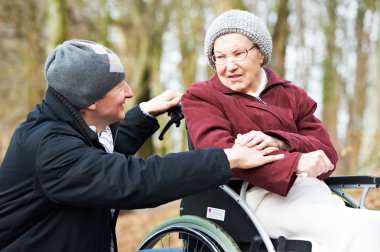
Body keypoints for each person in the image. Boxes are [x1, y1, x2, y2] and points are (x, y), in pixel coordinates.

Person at [0, 39, 285, 252]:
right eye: (118, 87)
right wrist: (226, 159)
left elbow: (101, 157)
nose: (130, 92)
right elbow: (130, 179)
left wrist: (147, 112)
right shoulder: (50, 149)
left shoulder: (72, 124)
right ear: (91, 101)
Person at [181, 9, 380, 252]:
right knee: (363, 229)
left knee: (366, 227)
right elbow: (220, 154)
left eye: (238, 54)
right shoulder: (203, 96)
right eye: (219, 57)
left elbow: (326, 152)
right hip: (250, 199)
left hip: (311, 191)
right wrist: (294, 162)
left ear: (261, 54)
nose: (229, 66)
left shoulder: (291, 95)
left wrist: (281, 141)